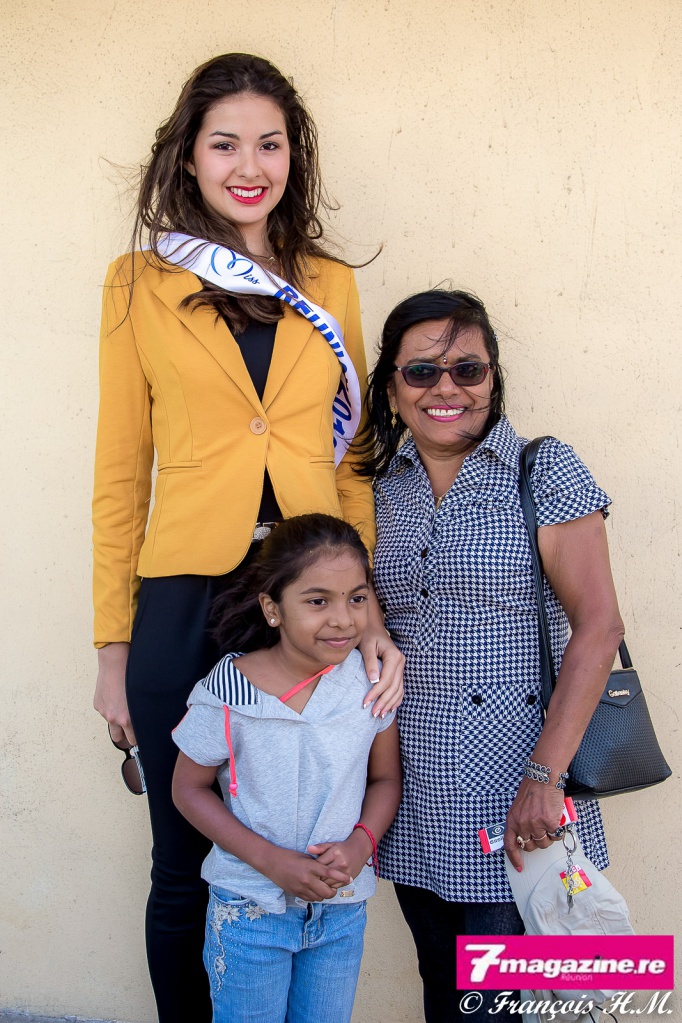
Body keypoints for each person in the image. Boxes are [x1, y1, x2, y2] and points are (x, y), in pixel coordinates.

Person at [91, 53, 403, 1023]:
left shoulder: (329, 284)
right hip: (185, 592)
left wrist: (368, 614)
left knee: (303, 826)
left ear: (292, 157)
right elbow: (119, 473)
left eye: (269, 144)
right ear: (188, 156)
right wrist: (112, 650)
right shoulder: (138, 283)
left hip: (309, 594)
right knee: (181, 862)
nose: (248, 165)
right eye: (224, 144)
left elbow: (351, 462)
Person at [356, 290, 625, 1023]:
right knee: (446, 989)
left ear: (492, 378)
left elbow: (599, 627)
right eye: (421, 372)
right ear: (392, 388)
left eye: (467, 369)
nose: (446, 388)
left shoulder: (543, 469)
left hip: (517, 790)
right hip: (413, 792)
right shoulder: (378, 489)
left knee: (505, 1003)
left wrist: (545, 779)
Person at [171, 513, 402, 1023]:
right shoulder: (228, 691)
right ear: (272, 609)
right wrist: (270, 861)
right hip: (248, 914)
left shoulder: (371, 685)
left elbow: (385, 779)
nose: (343, 620)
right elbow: (188, 788)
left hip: (340, 912)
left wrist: (361, 845)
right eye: (318, 601)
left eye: (357, 598)